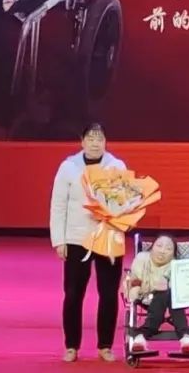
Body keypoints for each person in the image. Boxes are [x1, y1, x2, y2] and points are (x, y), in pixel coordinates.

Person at [50, 122, 126, 363]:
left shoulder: (116, 166)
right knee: (73, 293)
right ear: (82, 141)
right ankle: (71, 346)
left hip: (108, 235)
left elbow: (125, 202)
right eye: (90, 139)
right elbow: (58, 205)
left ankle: (105, 346)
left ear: (106, 142)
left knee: (109, 293)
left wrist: (110, 213)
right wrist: (59, 240)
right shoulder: (68, 167)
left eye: (100, 139)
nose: (95, 143)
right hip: (76, 237)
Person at [126, 236, 189, 355]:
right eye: (159, 246)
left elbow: (183, 287)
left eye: (168, 249)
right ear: (152, 247)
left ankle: (142, 335)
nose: (162, 251)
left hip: (172, 299)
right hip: (145, 296)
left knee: (169, 293)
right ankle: (185, 336)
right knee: (164, 293)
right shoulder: (142, 258)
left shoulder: (176, 265)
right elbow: (135, 279)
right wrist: (135, 291)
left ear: (173, 253)